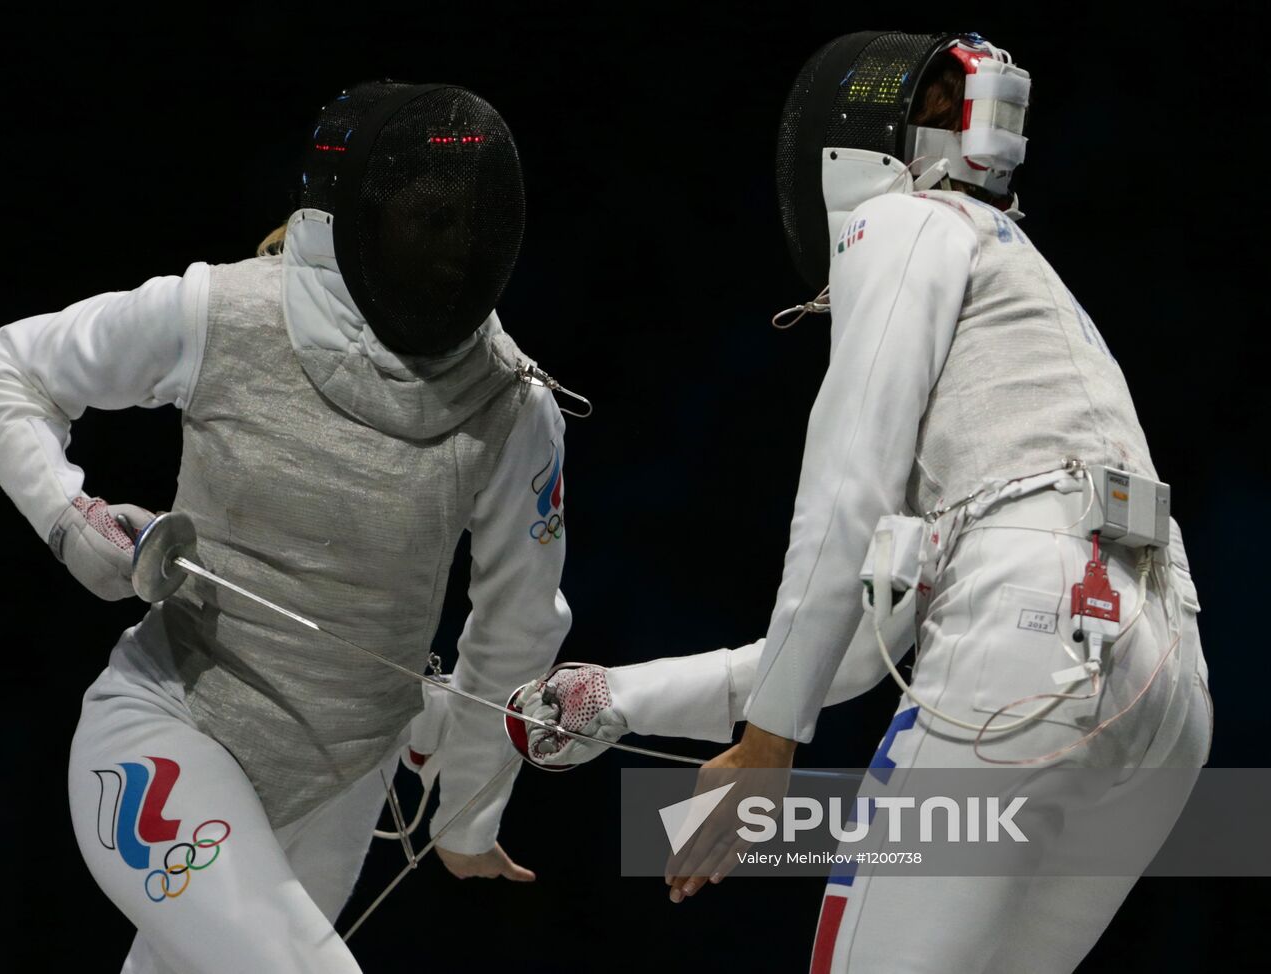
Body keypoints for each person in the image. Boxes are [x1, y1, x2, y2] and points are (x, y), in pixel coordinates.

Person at [507, 32, 1211, 974]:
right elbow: (858, 641)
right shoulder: (1032, 291)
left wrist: (767, 751)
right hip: (1164, 684)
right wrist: (623, 700)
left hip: (1034, 631)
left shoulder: (907, 221)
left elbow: (847, 490)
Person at [0, 80, 572, 974]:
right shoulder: (223, 314)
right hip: (165, 733)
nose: (455, 248)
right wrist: (66, 517)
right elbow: (7, 368)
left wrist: (469, 810)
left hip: (336, 790)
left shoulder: (513, 409)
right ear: (359, 215)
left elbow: (518, 625)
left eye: (468, 221)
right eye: (428, 219)